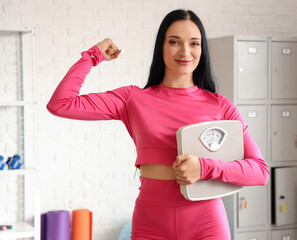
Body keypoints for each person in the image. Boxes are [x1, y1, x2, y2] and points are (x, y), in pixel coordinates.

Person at [47, 9, 269, 240]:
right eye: (174, 42)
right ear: (161, 47)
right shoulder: (133, 99)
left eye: (194, 43)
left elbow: (259, 172)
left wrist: (204, 167)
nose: (185, 52)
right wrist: (93, 56)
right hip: (150, 223)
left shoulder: (220, 106)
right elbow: (61, 104)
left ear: (201, 50)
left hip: (207, 223)